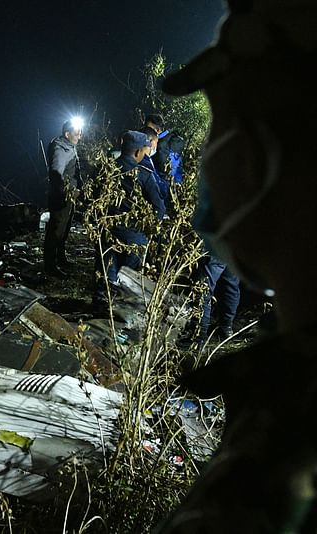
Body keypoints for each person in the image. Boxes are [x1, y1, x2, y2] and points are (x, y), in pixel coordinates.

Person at [155, 0, 317, 531]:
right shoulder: (281, 382)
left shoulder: (285, 446)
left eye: (215, 136)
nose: (204, 165)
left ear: (256, 157)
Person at [93, 130, 165, 308]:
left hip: (107, 231)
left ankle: (101, 309)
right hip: (135, 236)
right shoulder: (144, 175)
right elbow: (159, 208)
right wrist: (149, 230)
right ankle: (121, 315)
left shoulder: (106, 171)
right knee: (129, 279)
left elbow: (93, 200)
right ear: (137, 152)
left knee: (106, 272)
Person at [43, 119, 83, 278]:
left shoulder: (69, 146)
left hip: (69, 196)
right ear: (67, 134)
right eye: (76, 133)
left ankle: (60, 258)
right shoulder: (61, 149)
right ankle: (50, 266)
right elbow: (55, 173)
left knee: (63, 229)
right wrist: (63, 192)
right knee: (56, 231)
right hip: (61, 197)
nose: (79, 136)